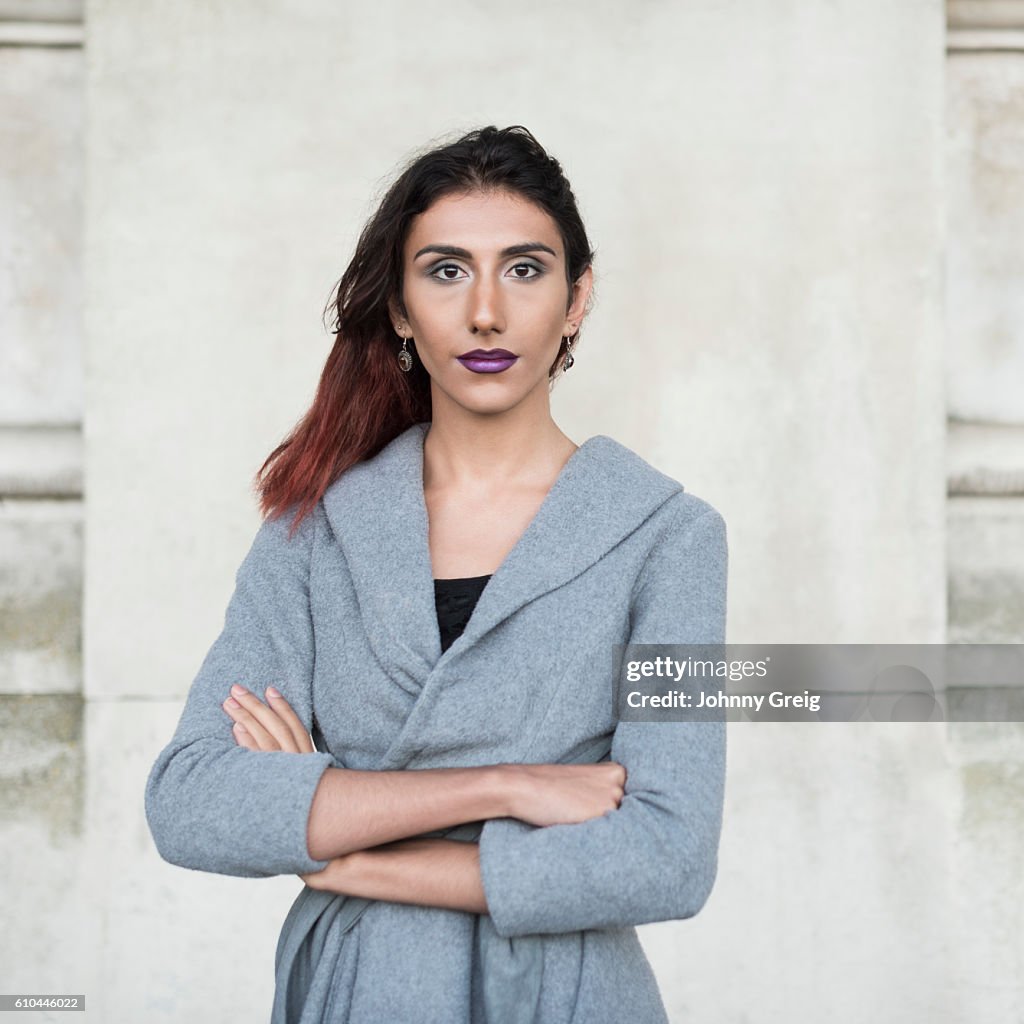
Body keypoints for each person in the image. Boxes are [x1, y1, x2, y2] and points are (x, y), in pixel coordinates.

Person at [144, 124, 728, 1024]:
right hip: (358, 986)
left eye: (525, 270)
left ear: (577, 300)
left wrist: (346, 848)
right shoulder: (315, 528)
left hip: (565, 997)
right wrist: (506, 785)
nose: (486, 311)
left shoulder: (671, 538)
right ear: (402, 309)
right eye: (447, 270)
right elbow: (190, 800)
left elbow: (667, 854)